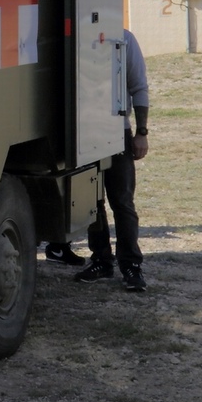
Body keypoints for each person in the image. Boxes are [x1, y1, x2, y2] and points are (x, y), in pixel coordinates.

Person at [74, 29, 150, 291]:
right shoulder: (82, 36)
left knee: (122, 201)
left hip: (118, 132)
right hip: (87, 131)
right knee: (94, 202)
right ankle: (101, 261)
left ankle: (130, 264)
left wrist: (141, 133)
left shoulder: (125, 39)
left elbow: (138, 86)